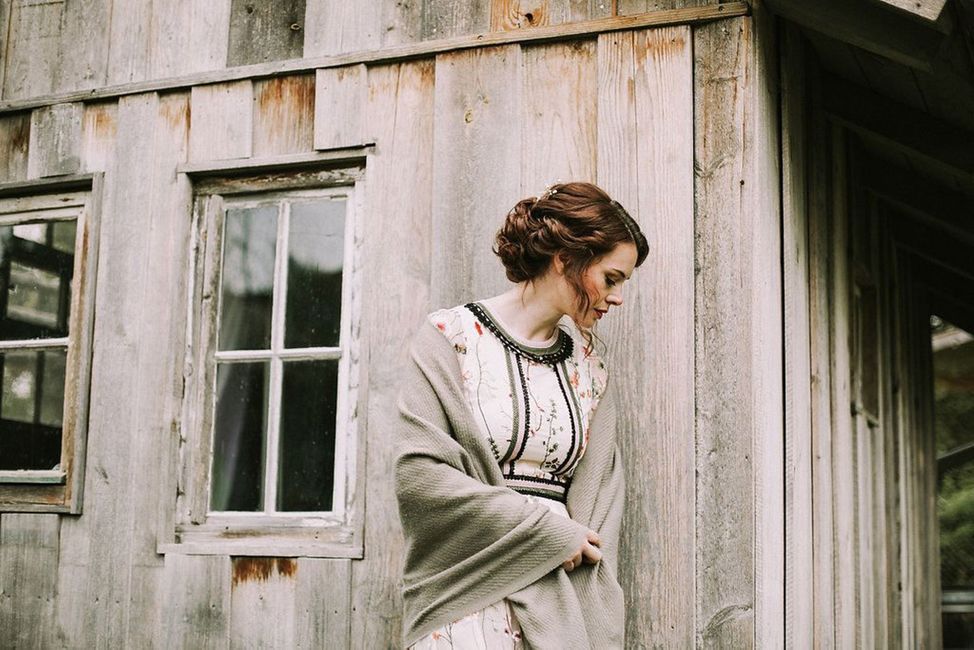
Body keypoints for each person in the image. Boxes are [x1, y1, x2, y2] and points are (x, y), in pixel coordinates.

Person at [394, 181, 649, 649]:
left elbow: (602, 499)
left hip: (563, 595)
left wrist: (579, 566)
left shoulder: (588, 365)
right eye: (611, 278)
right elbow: (420, 478)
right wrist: (548, 531)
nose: (617, 298)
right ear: (564, 259)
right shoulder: (451, 339)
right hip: (465, 591)